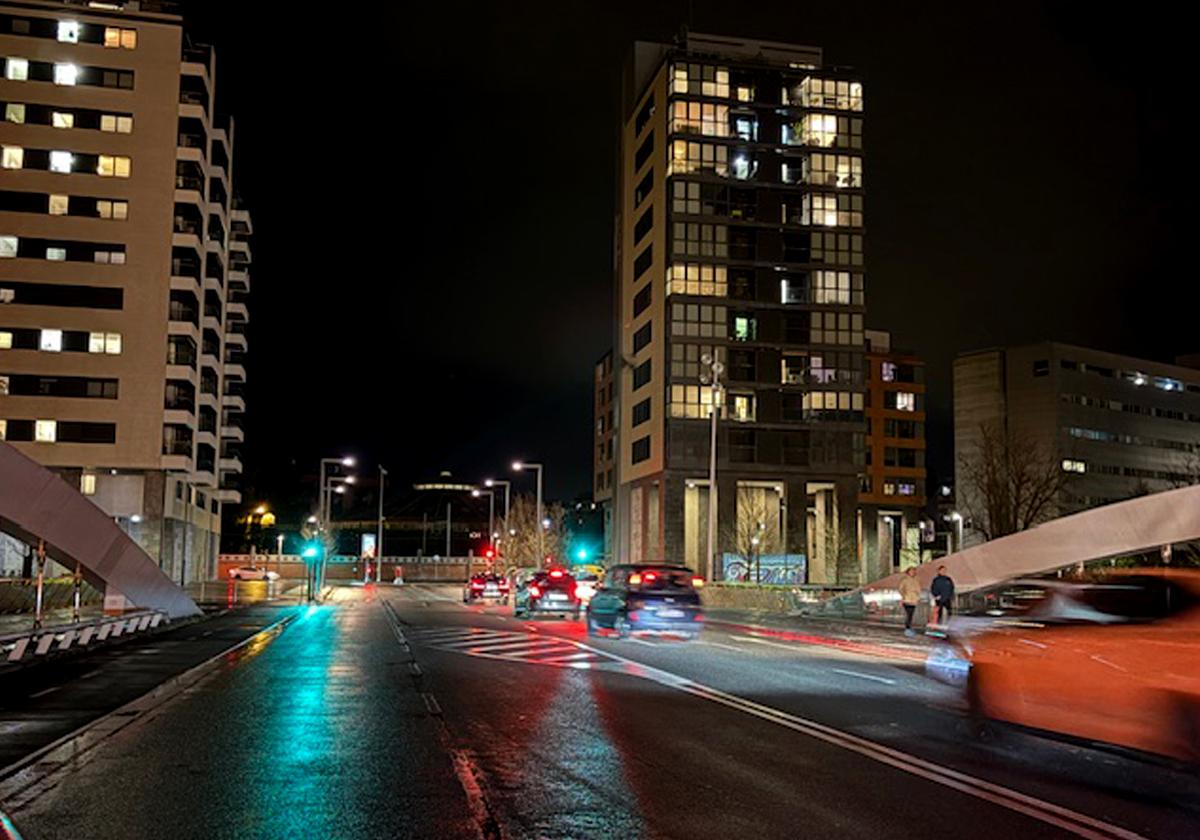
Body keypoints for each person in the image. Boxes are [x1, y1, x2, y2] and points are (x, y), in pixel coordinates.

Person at [898, 566, 921, 636]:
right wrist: (904, 595)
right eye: (911, 571)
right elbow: (900, 589)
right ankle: (907, 627)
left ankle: (909, 627)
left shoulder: (916, 580)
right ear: (908, 572)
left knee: (911, 614)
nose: (913, 572)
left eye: (914, 571)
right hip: (907, 599)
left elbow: (919, 589)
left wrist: (917, 597)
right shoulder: (904, 580)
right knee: (909, 614)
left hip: (914, 600)